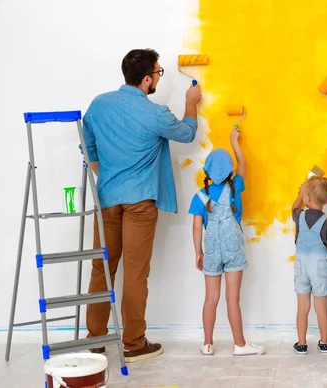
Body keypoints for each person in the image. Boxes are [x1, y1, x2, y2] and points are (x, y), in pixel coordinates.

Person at [82, 48, 202, 363]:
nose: (159, 78)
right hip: (139, 204)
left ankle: (95, 339)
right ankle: (134, 343)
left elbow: (89, 150)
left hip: (106, 197)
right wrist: (191, 104)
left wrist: (109, 177)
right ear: (147, 78)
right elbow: (188, 133)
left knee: (102, 268)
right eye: (159, 74)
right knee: (135, 272)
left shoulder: (98, 105)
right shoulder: (154, 113)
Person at [188, 128, 266, 357]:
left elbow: (195, 227)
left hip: (210, 251)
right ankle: (240, 345)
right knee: (233, 298)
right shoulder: (236, 188)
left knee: (210, 298)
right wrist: (235, 141)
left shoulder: (199, 196)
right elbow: (243, 163)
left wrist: (198, 252)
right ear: (230, 170)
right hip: (233, 250)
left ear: (207, 171)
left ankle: (207, 343)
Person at [291, 176, 327, 355]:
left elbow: (294, 207)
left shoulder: (300, 216)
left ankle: (302, 344)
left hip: (302, 267)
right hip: (319, 268)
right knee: (321, 308)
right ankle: (325, 343)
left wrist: (300, 192)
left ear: (308, 198)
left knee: (302, 308)